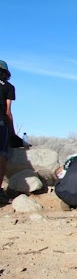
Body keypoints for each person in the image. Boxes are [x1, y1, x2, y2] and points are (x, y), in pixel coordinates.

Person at [0, 60, 15, 203]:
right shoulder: (9, 87)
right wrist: (12, 131)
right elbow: (8, 111)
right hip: (1, 123)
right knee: (2, 155)